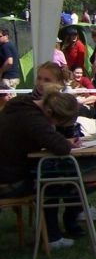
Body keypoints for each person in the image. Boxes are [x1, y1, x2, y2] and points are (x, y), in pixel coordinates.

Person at [0, 83, 83, 249]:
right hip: (8, 182)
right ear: (50, 113)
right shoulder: (34, 119)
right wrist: (62, 139)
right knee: (53, 180)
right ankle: (53, 237)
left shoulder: (19, 104)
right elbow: (61, 147)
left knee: (51, 175)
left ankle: (58, 229)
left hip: (5, 172)